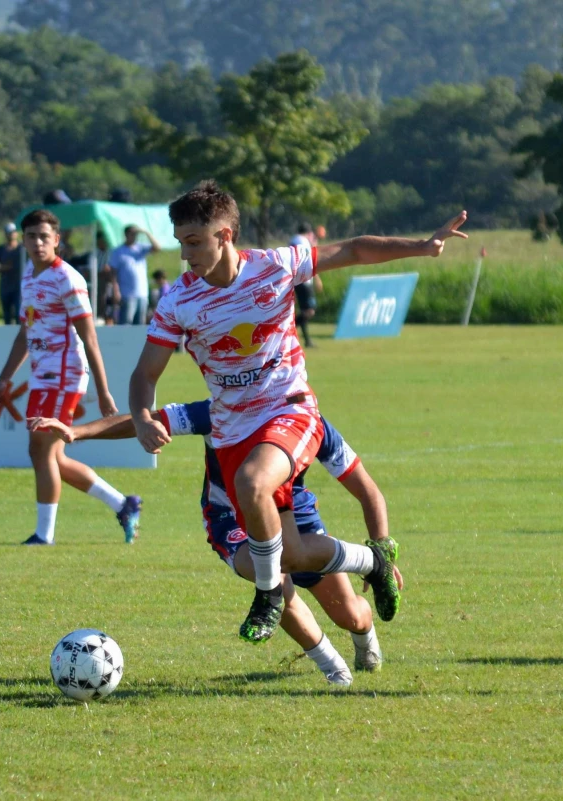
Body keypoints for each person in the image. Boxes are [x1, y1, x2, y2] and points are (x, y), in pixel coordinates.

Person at [129, 180, 466, 643]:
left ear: (225, 235)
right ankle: (374, 560)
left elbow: (352, 250)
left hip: (291, 410)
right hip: (232, 433)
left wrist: (422, 247)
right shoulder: (178, 301)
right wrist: (142, 415)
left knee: (252, 485)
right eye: (181, 243)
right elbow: (145, 373)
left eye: (194, 242)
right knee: (293, 554)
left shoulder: (275, 266)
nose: (186, 256)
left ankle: (268, 596)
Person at [30, 400, 396, 685]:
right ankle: (335, 673)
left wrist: (383, 550)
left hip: (297, 521)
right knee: (270, 576)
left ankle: (366, 639)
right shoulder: (220, 409)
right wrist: (77, 432)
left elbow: (369, 493)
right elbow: (147, 418)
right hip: (230, 519)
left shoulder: (308, 422)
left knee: (352, 615)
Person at [0, 209, 141, 545]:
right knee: (53, 456)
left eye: (45, 236)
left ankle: (44, 535)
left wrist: (103, 392)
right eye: (32, 236)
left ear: (57, 240)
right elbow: (25, 333)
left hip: (64, 375)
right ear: (23, 240)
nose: (38, 242)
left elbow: (90, 337)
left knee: (40, 450)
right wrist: (3, 380)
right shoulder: (28, 274)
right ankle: (123, 504)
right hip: (42, 376)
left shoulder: (67, 278)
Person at [107, 224, 161, 325]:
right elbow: (113, 272)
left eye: (135, 234)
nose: (134, 236)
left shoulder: (141, 248)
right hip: (127, 294)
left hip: (142, 294)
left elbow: (157, 248)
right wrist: (115, 289)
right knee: (125, 323)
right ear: (126, 235)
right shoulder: (118, 251)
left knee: (139, 325)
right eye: (132, 234)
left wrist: (146, 232)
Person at [290, 223, 323, 348]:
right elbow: (308, 261)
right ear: (308, 233)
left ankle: (307, 341)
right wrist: (317, 277)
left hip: (295, 279)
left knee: (304, 311)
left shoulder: (293, 240)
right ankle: (286, 331)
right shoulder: (303, 241)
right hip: (304, 280)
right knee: (309, 311)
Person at [0, 222, 25, 325]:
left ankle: (19, 339)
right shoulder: (0, 250)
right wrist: (6, 267)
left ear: (16, 233)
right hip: (5, 287)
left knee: (19, 315)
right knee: (7, 316)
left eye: (13, 232)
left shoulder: (22, 249)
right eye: (8, 232)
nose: (11, 234)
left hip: (19, 287)